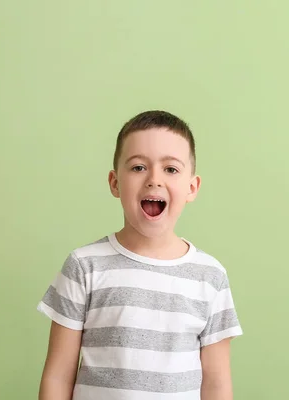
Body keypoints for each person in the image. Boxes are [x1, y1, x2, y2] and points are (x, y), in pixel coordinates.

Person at [37, 110, 243, 400]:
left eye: (171, 169)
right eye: (138, 168)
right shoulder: (84, 267)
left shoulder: (210, 277)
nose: (154, 180)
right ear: (114, 182)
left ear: (191, 187)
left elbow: (217, 384)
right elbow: (58, 377)